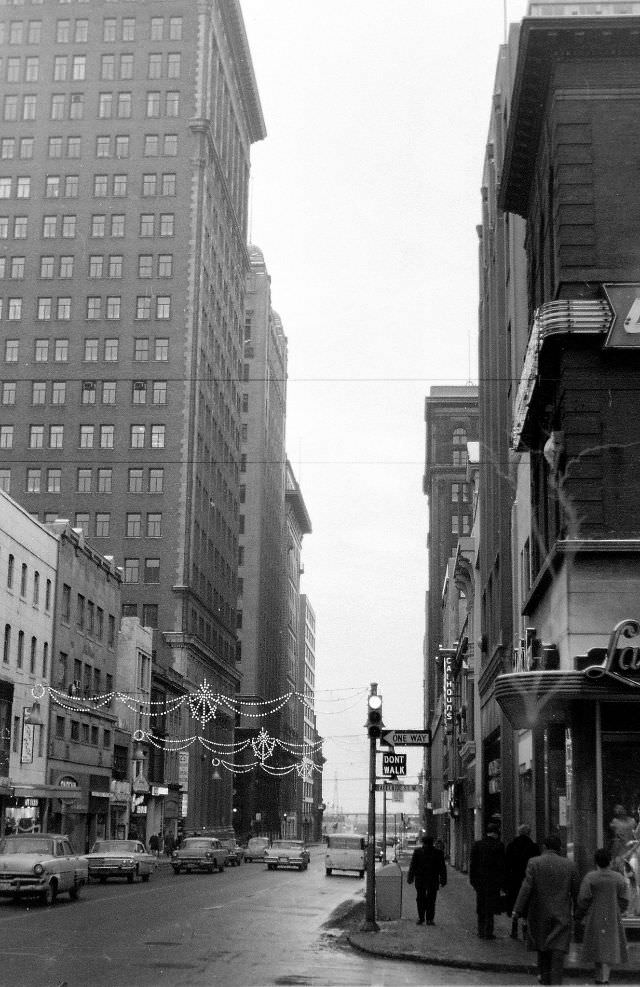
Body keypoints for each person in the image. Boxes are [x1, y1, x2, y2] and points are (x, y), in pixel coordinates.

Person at [513, 834, 580, 986]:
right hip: (561, 914)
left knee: (542, 949)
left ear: (544, 847)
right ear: (560, 849)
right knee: (557, 952)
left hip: (539, 913)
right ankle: (555, 982)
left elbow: (526, 887)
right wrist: (578, 912)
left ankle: (544, 979)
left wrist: (517, 909)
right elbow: (576, 892)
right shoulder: (570, 865)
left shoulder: (534, 862)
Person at [576, 847, 629, 986]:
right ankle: (605, 978)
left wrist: (582, 913)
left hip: (594, 916)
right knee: (610, 948)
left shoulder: (590, 877)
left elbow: (583, 898)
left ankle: (600, 978)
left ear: (596, 862)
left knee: (597, 947)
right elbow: (625, 898)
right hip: (612, 915)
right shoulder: (618, 878)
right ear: (610, 862)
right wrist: (619, 909)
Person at [469, 823, 506, 939]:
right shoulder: (499, 846)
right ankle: (488, 932)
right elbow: (502, 866)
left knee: (481, 906)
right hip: (493, 882)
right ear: (496, 833)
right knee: (490, 907)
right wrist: (502, 883)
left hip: (480, 881)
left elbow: (473, 864)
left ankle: (480, 930)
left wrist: (473, 881)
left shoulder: (478, 845)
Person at [505, 824, 539, 940]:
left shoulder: (511, 846)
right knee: (527, 905)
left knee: (516, 902)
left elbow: (507, 864)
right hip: (528, 879)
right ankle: (525, 928)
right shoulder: (534, 847)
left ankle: (514, 928)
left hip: (514, 879)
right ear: (529, 833)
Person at [407, 835, 447, 926]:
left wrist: (410, 878)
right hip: (433, 880)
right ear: (432, 842)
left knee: (420, 899)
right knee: (431, 900)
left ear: (423, 842)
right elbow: (442, 868)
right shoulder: (438, 853)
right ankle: (429, 919)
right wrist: (443, 880)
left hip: (420, 880)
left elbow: (413, 866)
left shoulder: (417, 852)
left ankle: (421, 918)